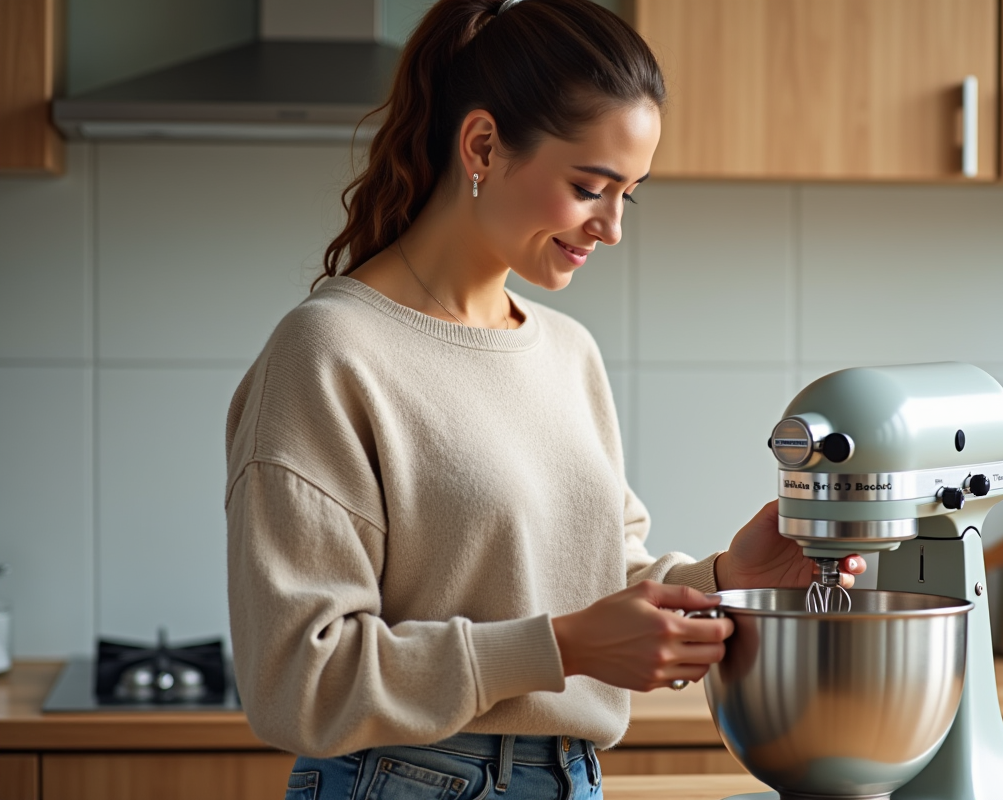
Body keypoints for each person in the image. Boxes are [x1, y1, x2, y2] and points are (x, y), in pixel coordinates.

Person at [224, 0, 864, 797]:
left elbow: (588, 585)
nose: (613, 227)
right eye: (591, 186)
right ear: (484, 145)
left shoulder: (567, 352)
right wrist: (562, 649)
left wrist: (728, 578)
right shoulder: (329, 353)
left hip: (571, 778)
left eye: (630, 193)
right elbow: (298, 681)